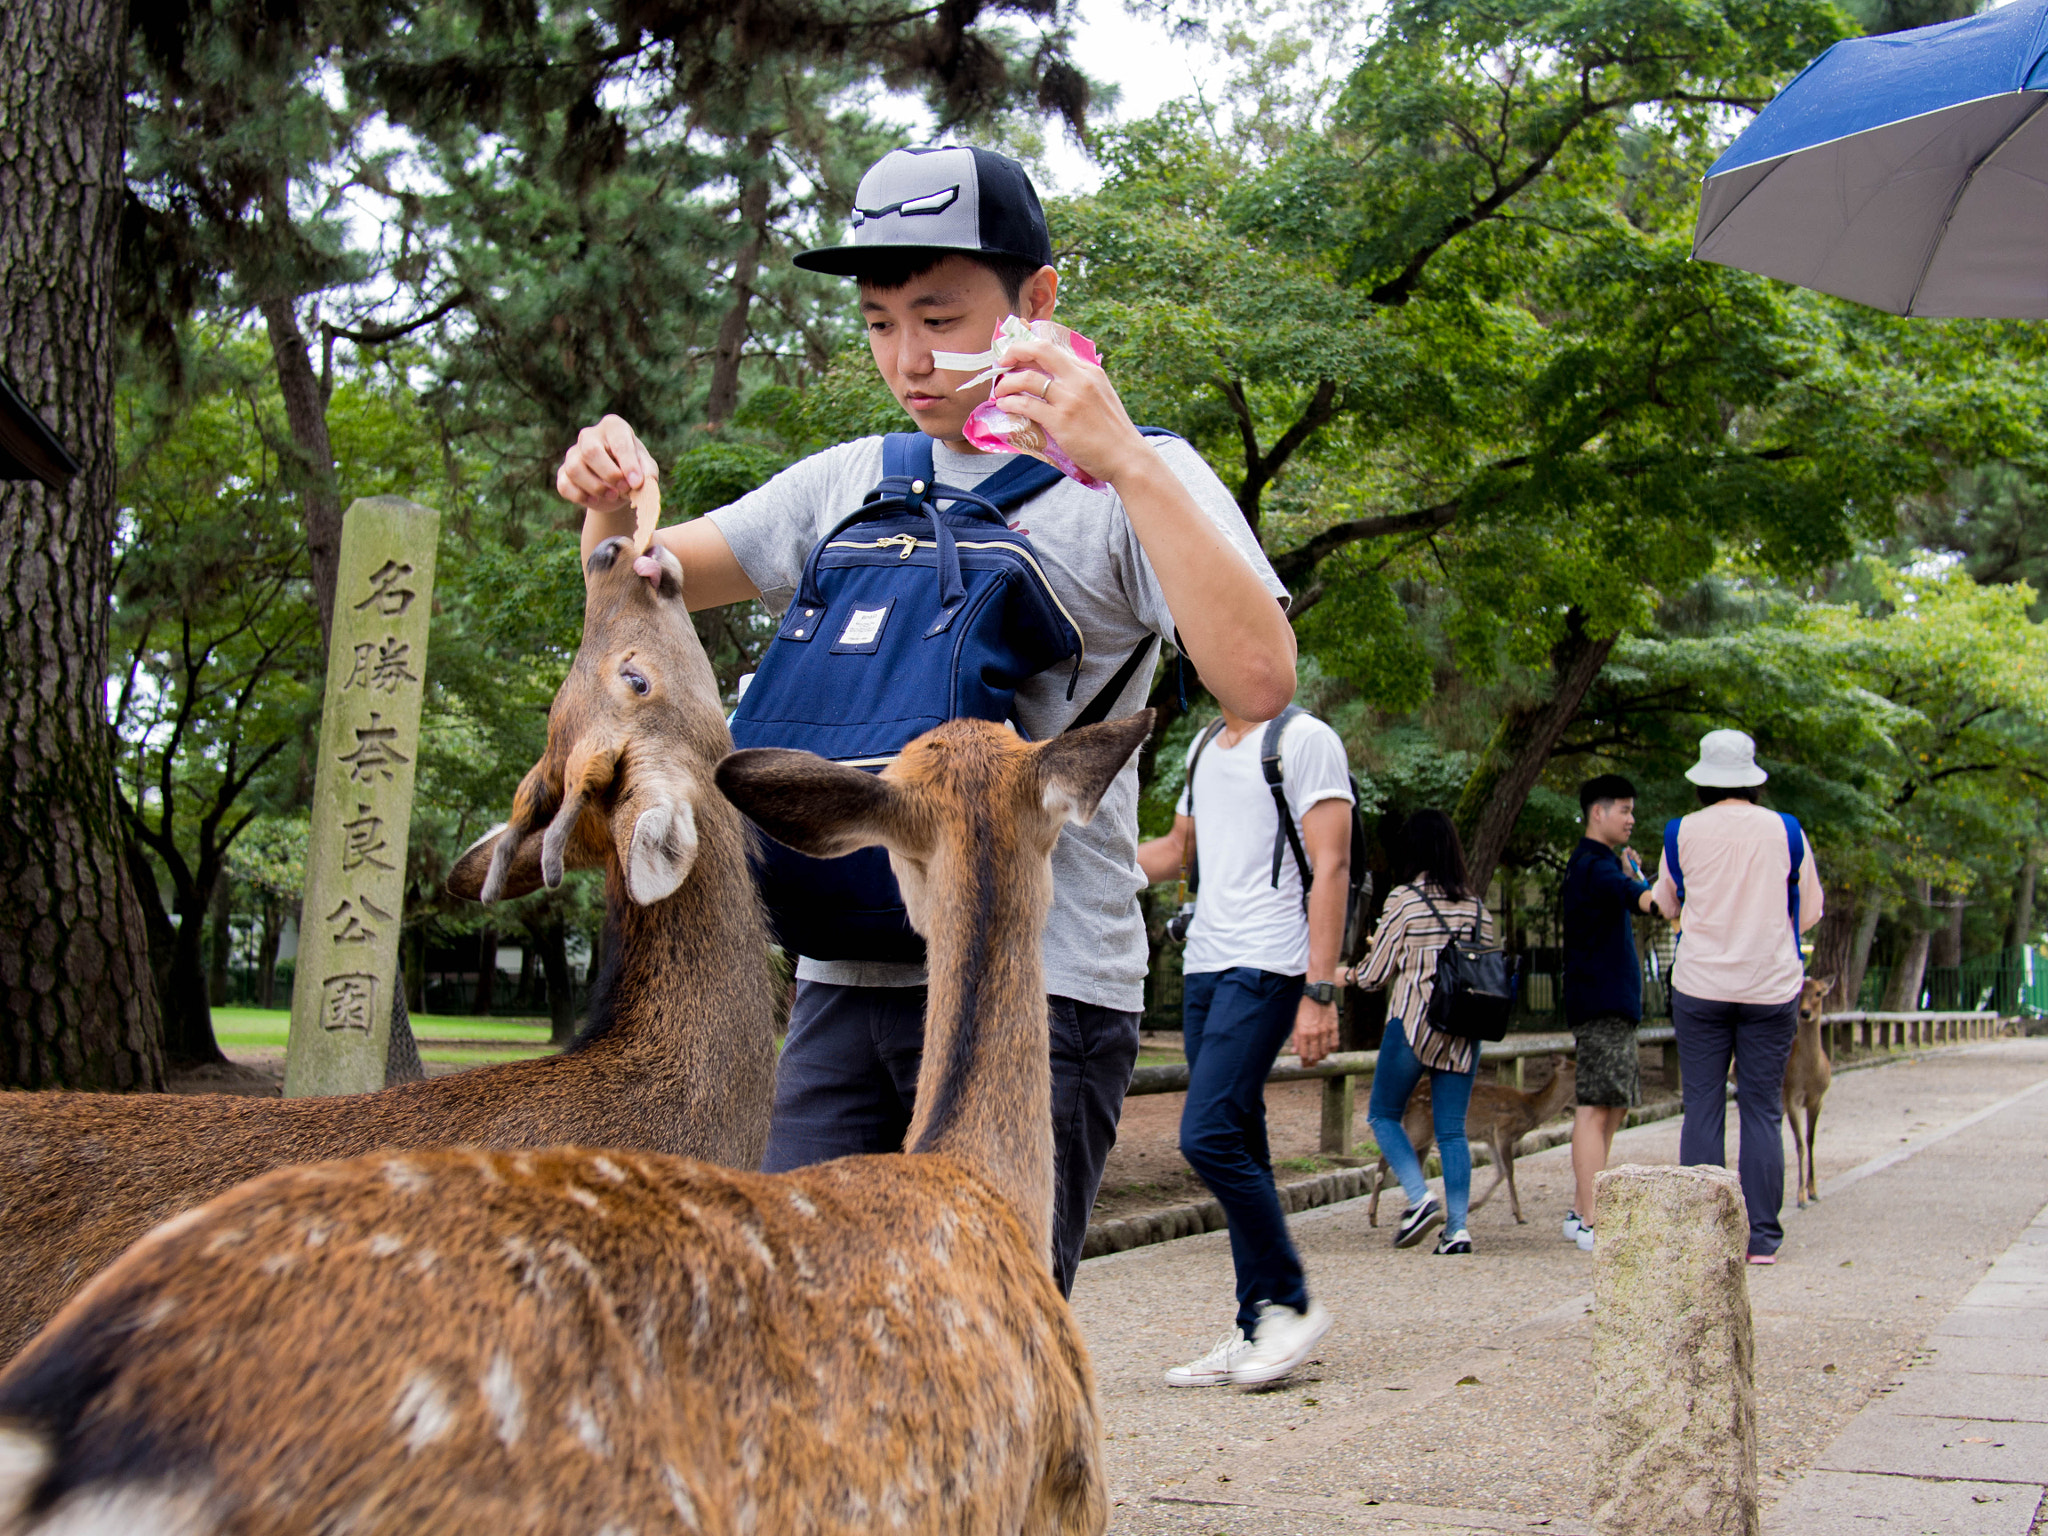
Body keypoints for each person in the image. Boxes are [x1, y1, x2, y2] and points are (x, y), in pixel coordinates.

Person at [552, 144, 1297, 1296]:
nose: (906, 358)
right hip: (845, 979)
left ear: (1034, 303)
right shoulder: (852, 479)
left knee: (979, 1346)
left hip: (1033, 992)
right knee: (786, 1325)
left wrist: (1121, 462)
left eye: (938, 317)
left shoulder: (1140, 482)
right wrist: (609, 499)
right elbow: (640, 583)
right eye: (878, 321)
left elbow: (1257, 681)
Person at [1135, 705, 1352, 1387]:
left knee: (1207, 1136)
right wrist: (1076, 853)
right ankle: (1256, 1321)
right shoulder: (1203, 744)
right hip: (1206, 961)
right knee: (1241, 1135)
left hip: (1269, 962)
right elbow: (1174, 852)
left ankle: (1291, 1299)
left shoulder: (1303, 739)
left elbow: (1333, 866)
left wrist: (1320, 991)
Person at [1649, 729, 1823, 1265]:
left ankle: (1703, 1235)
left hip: (1701, 986)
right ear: (1753, 781)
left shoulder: (1681, 832)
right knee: (1762, 1108)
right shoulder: (1787, 831)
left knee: (1702, 1104)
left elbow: (1666, 903)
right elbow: (1811, 911)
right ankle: (1763, 1237)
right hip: (1770, 987)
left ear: (1702, 782)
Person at [1344, 809, 1494, 1256]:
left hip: (1413, 1022)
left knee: (1382, 1115)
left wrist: (1347, 974)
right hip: (1464, 1028)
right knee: (1451, 1131)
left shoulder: (1404, 900)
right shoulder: (1476, 906)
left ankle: (1419, 1196)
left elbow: (1375, 974)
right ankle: (1459, 1229)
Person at [1560, 773, 1675, 1253]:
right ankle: (1591, 1218)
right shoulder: (1592, 865)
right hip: (1600, 1004)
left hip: (1614, 1005)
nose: (1631, 819)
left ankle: (1582, 1208)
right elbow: (1646, 903)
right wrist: (1651, 889)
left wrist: (1636, 882)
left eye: (1632, 810)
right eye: (1623, 810)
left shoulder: (1603, 866)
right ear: (1597, 812)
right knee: (1595, 1107)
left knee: (1614, 1105)